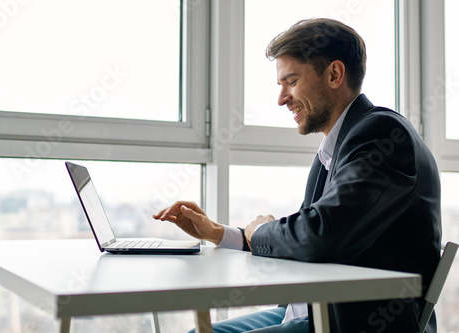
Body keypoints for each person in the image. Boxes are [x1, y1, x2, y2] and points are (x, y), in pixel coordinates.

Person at [154, 18, 441, 333]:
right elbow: (307, 237)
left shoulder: (382, 135)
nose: (281, 98)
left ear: (334, 74)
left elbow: (321, 235)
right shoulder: (338, 146)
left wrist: (261, 231)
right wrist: (220, 233)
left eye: (290, 81)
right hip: (309, 312)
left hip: (355, 323)